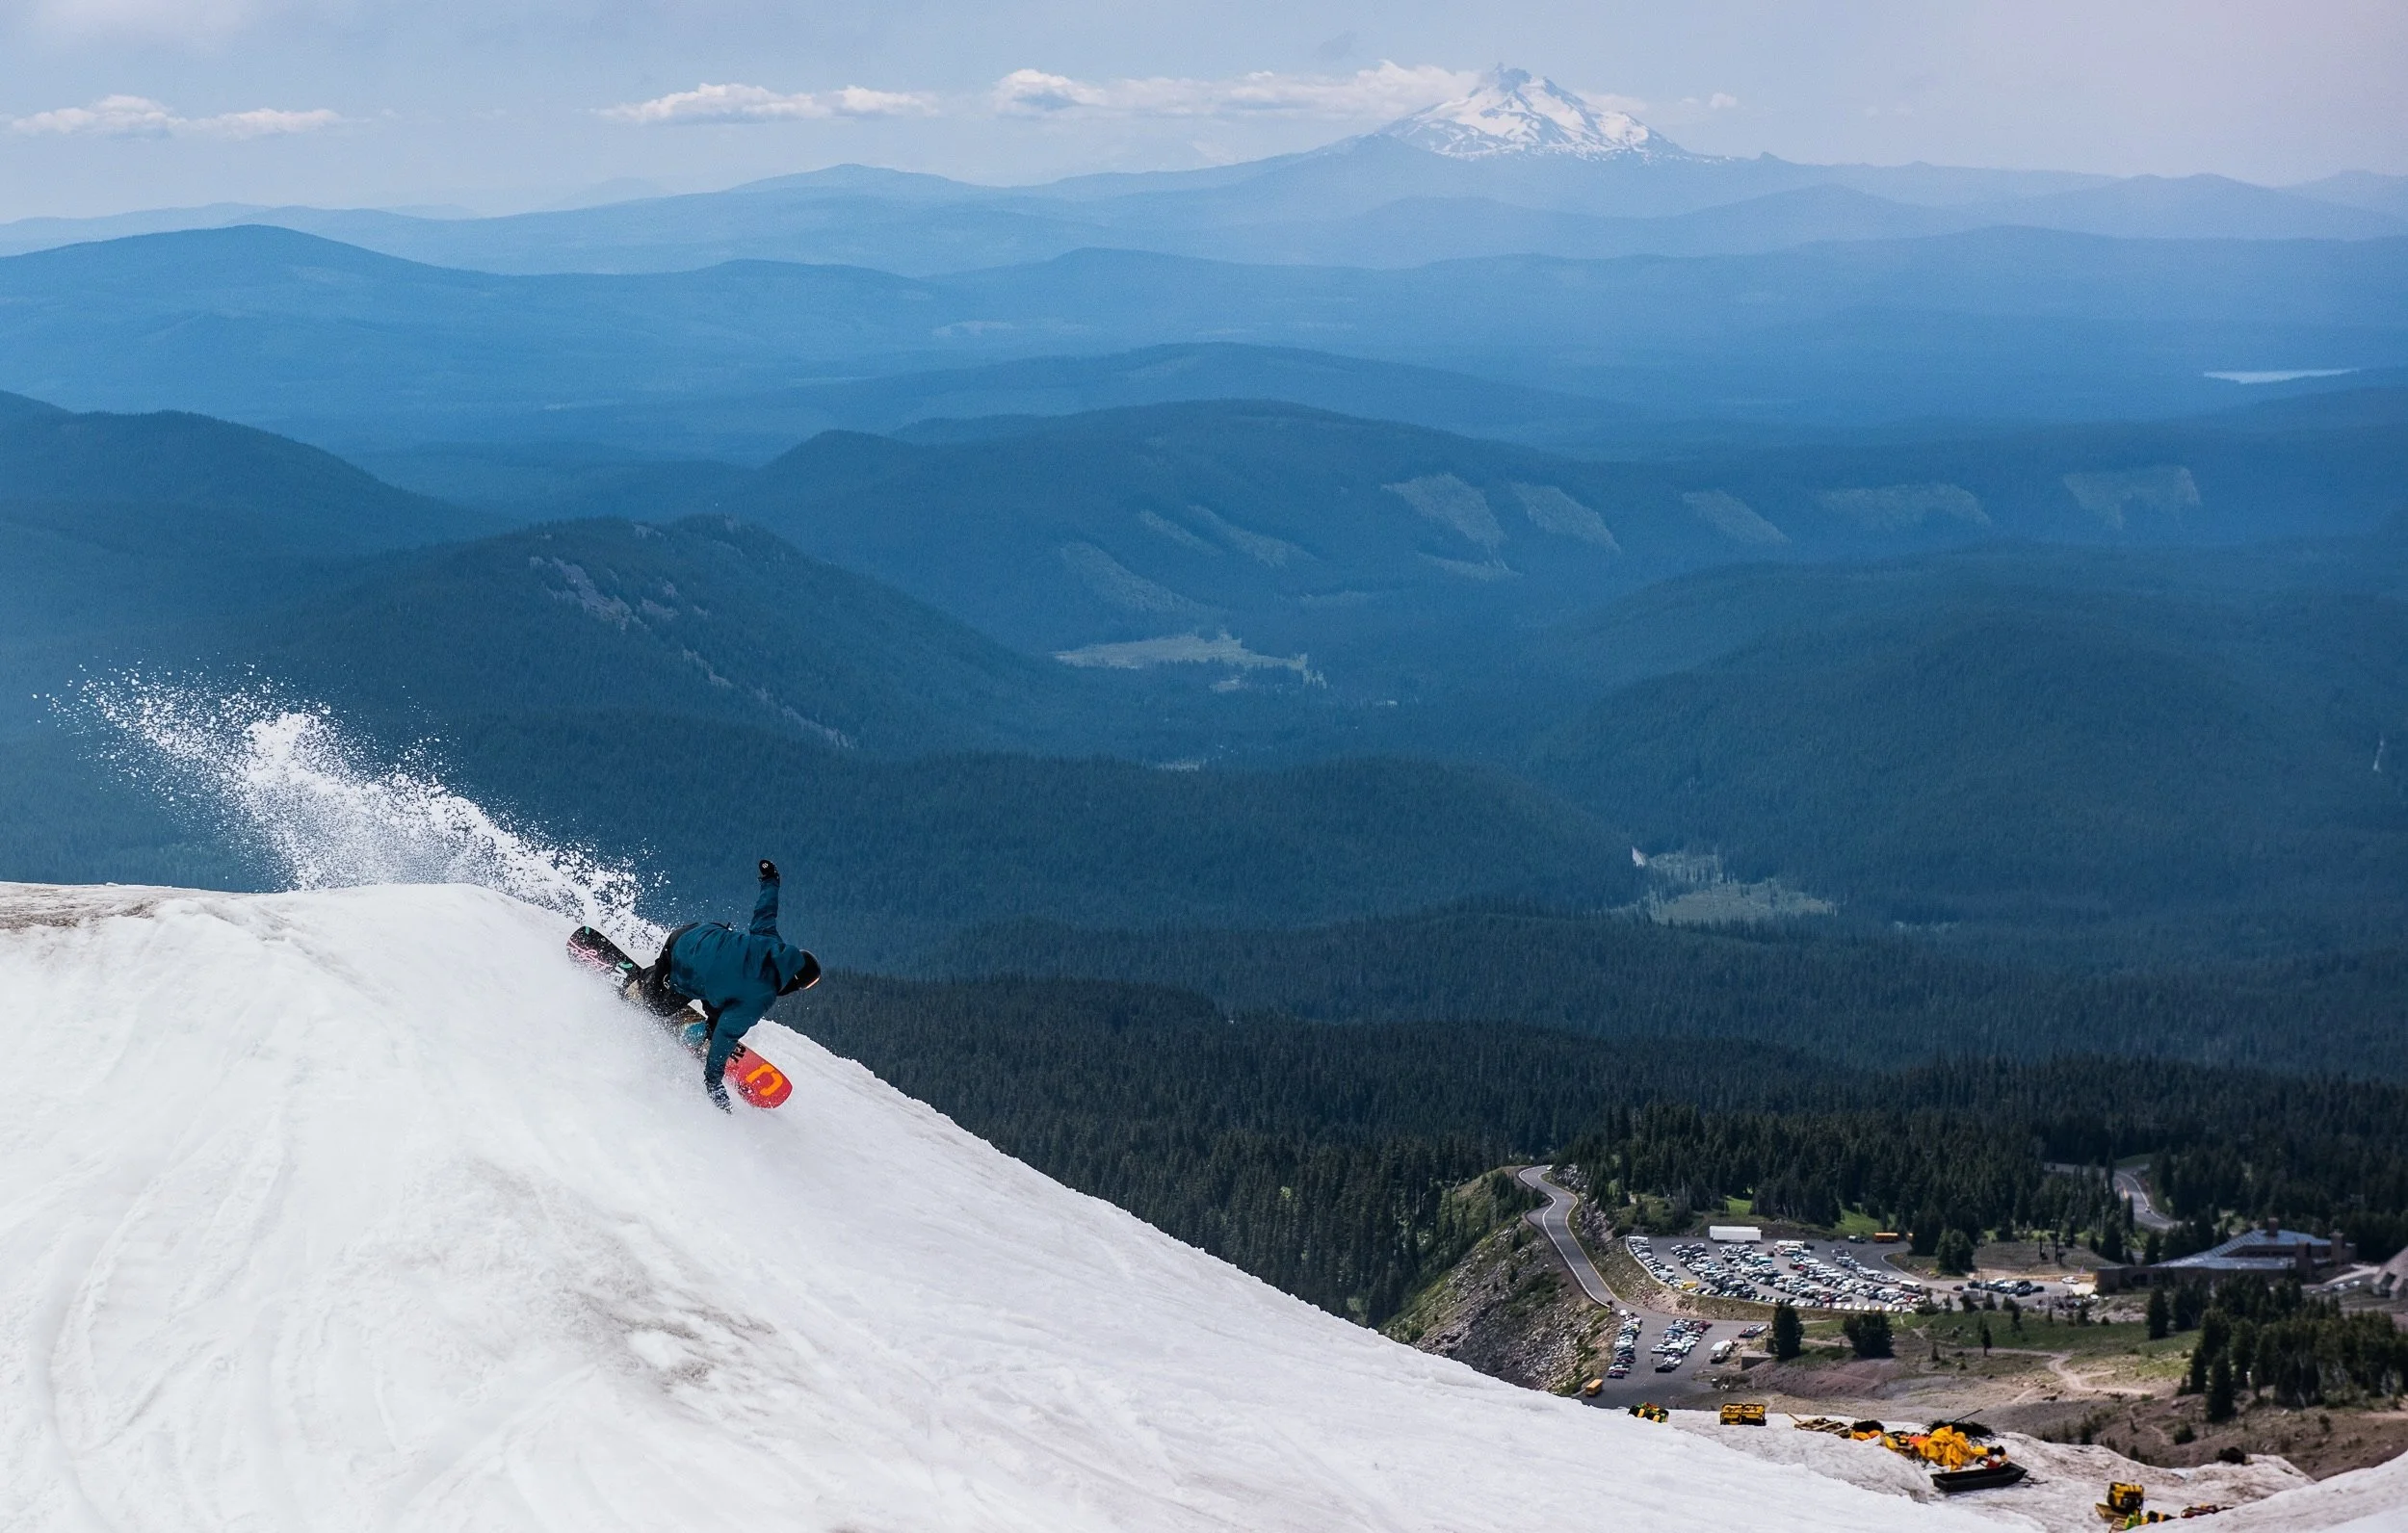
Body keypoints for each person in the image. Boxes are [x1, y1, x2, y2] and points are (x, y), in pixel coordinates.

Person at [634, 859, 820, 1108]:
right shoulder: (760, 998)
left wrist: (770, 880)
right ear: (795, 983)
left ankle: (662, 979)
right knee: (658, 1006)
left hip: (692, 933)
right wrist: (713, 1082)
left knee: (722, 993)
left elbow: (766, 911)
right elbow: (727, 1034)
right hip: (681, 961)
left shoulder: (769, 941)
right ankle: (649, 984)